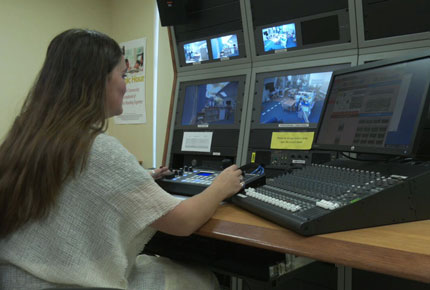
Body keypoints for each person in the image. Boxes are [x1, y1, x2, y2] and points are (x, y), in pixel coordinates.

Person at [0, 29, 243, 289]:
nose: (126, 85)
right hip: (68, 283)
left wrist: (140, 180)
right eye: (123, 75)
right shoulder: (95, 147)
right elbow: (183, 222)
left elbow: (66, 185)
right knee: (203, 278)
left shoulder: (26, 137)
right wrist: (220, 187)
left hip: (17, 279)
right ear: (97, 80)